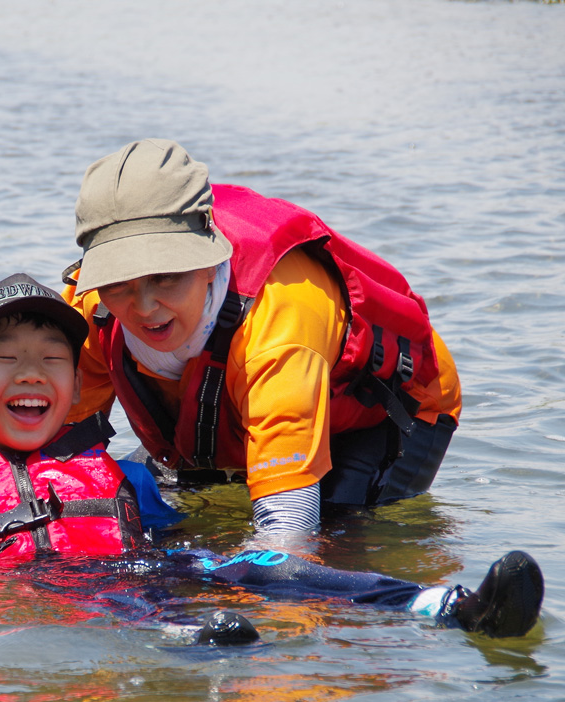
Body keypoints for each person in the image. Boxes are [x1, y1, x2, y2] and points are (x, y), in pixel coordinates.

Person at [0, 273, 541, 641]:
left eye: (52, 360)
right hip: (37, 597)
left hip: (142, 578)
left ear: (78, 376)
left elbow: (179, 538)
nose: (31, 375)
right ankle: (198, 641)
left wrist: (237, 554)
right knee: (153, 619)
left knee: (264, 565)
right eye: (5, 360)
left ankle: (449, 605)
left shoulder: (125, 479)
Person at [61, 139, 462, 537]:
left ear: (208, 261)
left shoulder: (281, 328)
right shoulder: (92, 307)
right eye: (119, 283)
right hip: (220, 406)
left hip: (380, 412)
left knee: (335, 536)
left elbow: (287, 528)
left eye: (165, 276)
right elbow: (56, 449)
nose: (144, 307)